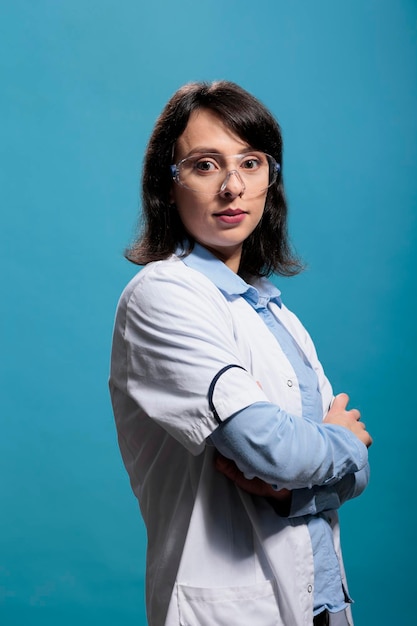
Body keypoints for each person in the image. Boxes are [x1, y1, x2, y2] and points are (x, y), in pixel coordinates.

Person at [109, 80, 372, 626]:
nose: (233, 187)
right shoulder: (163, 294)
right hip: (233, 609)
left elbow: (337, 479)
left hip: (324, 601)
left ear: (270, 180)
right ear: (168, 183)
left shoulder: (275, 315)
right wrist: (345, 442)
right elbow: (269, 450)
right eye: (206, 165)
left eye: (251, 163)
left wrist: (296, 488)